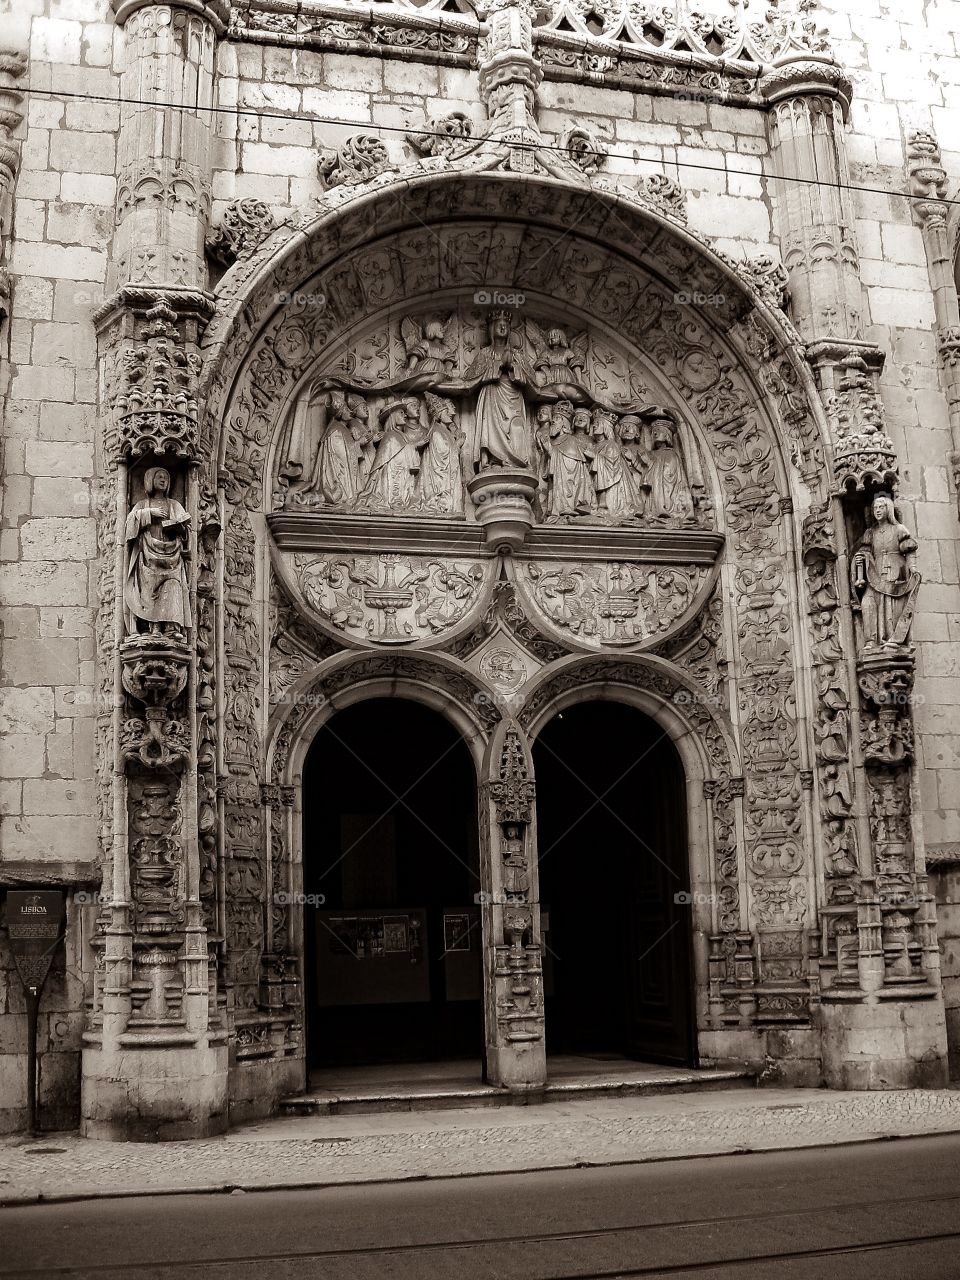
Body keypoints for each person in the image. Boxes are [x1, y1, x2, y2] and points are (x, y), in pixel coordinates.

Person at [123, 466, 191, 639]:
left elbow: (186, 531)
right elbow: (129, 527)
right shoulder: (142, 505)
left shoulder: (174, 505)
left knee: (173, 586)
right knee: (147, 591)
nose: (163, 480)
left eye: (166, 478)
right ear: (149, 481)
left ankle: (171, 627)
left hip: (172, 557)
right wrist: (148, 513)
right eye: (159, 477)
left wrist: (180, 528)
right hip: (148, 556)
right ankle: (152, 628)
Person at [850, 491, 920, 650]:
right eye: (875, 508)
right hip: (875, 572)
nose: (878, 510)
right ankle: (871, 640)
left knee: (891, 605)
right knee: (869, 602)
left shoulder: (899, 529)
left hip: (896, 570)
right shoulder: (870, 533)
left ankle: (894, 639)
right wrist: (861, 558)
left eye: (881, 507)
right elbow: (865, 551)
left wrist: (913, 569)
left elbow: (909, 550)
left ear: (888, 509)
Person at [463, 311, 532, 469]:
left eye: (506, 324)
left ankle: (517, 463)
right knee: (491, 427)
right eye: (498, 324)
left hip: (513, 396)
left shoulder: (518, 355)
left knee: (518, 427)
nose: (502, 326)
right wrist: (498, 366)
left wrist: (513, 368)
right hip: (493, 395)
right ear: (491, 329)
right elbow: (470, 381)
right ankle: (494, 461)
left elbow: (532, 383)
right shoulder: (485, 354)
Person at [359, 398, 424, 511]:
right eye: (401, 413)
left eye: (404, 413)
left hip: (404, 478)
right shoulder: (390, 436)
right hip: (392, 480)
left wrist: (416, 446)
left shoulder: (403, 436)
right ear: (392, 417)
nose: (405, 416)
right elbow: (380, 464)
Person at [544, 401, 596, 519]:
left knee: (568, 484)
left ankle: (568, 507)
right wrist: (548, 448)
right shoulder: (557, 439)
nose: (553, 421)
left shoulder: (571, 440)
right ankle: (562, 508)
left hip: (570, 484)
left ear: (564, 423)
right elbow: (555, 463)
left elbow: (571, 472)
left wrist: (550, 450)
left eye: (557, 418)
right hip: (560, 483)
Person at [418, 394, 466, 515]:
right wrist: (457, 445)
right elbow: (443, 459)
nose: (452, 413)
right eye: (447, 411)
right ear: (439, 414)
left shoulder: (446, 432)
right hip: (440, 484)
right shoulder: (436, 432)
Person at [644, 413, 695, 523]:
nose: (655, 433)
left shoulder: (671, 454)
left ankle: (665, 510)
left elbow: (668, 476)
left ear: (667, 434)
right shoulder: (652, 453)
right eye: (653, 432)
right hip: (654, 492)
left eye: (658, 430)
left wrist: (649, 463)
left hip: (667, 492)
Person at [592, 407, 641, 520]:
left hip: (613, 489)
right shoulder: (595, 446)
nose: (594, 426)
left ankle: (605, 506)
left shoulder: (611, 445)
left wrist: (594, 456)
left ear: (605, 427)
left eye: (598, 423)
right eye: (594, 423)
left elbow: (612, 466)